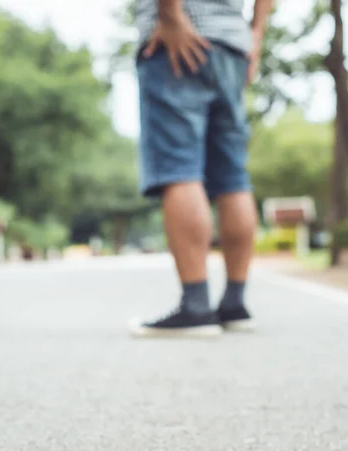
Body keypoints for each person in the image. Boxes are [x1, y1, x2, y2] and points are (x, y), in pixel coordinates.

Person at [130, 0, 274, 337]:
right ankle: (234, 304)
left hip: (179, 36)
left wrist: (170, 14)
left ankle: (196, 306)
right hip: (233, 47)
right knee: (233, 177)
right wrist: (255, 35)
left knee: (180, 170)